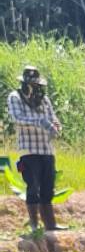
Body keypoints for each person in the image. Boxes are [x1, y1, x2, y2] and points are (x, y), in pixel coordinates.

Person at [6, 66, 61, 231]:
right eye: (31, 84)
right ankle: (34, 225)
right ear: (24, 83)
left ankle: (50, 225)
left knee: (47, 187)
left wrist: (56, 127)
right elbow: (18, 118)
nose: (34, 87)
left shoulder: (44, 99)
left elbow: (53, 118)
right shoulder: (15, 97)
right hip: (28, 150)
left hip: (47, 149)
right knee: (33, 187)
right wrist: (41, 122)